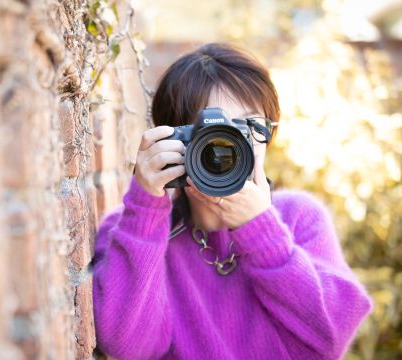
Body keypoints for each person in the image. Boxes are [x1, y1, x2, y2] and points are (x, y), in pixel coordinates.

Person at [91, 43, 372, 359]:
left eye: (250, 126)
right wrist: (145, 209)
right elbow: (127, 346)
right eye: (212, 132)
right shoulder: (133, 227)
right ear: (174, 139)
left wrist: (262, 232)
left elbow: (328, 339)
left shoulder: (299, 217)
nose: (231, 145)